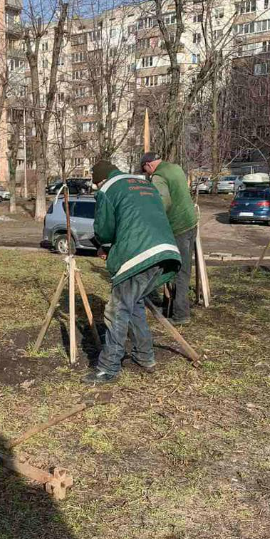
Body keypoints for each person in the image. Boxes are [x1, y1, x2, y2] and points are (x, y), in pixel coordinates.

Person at [87, 160, 181, 385]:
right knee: (135, 304)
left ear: (100, 180)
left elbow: (105, 230)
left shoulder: (108, 189)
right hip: (166, 251)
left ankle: (108, 368)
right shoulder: (144, 183)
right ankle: (144, 357)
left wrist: (105, 245)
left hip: (138, 254)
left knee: (116, 310)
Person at [140, 152, 198, 324]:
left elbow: (162, 204)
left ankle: (180, 314)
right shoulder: (176, 168)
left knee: (176, 270)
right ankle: (172, 307)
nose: (147, 175)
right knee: (185, 270)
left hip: (177, 228)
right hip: (191, 223)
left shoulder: (158, 177)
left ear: (149, 165)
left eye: (145, 171)